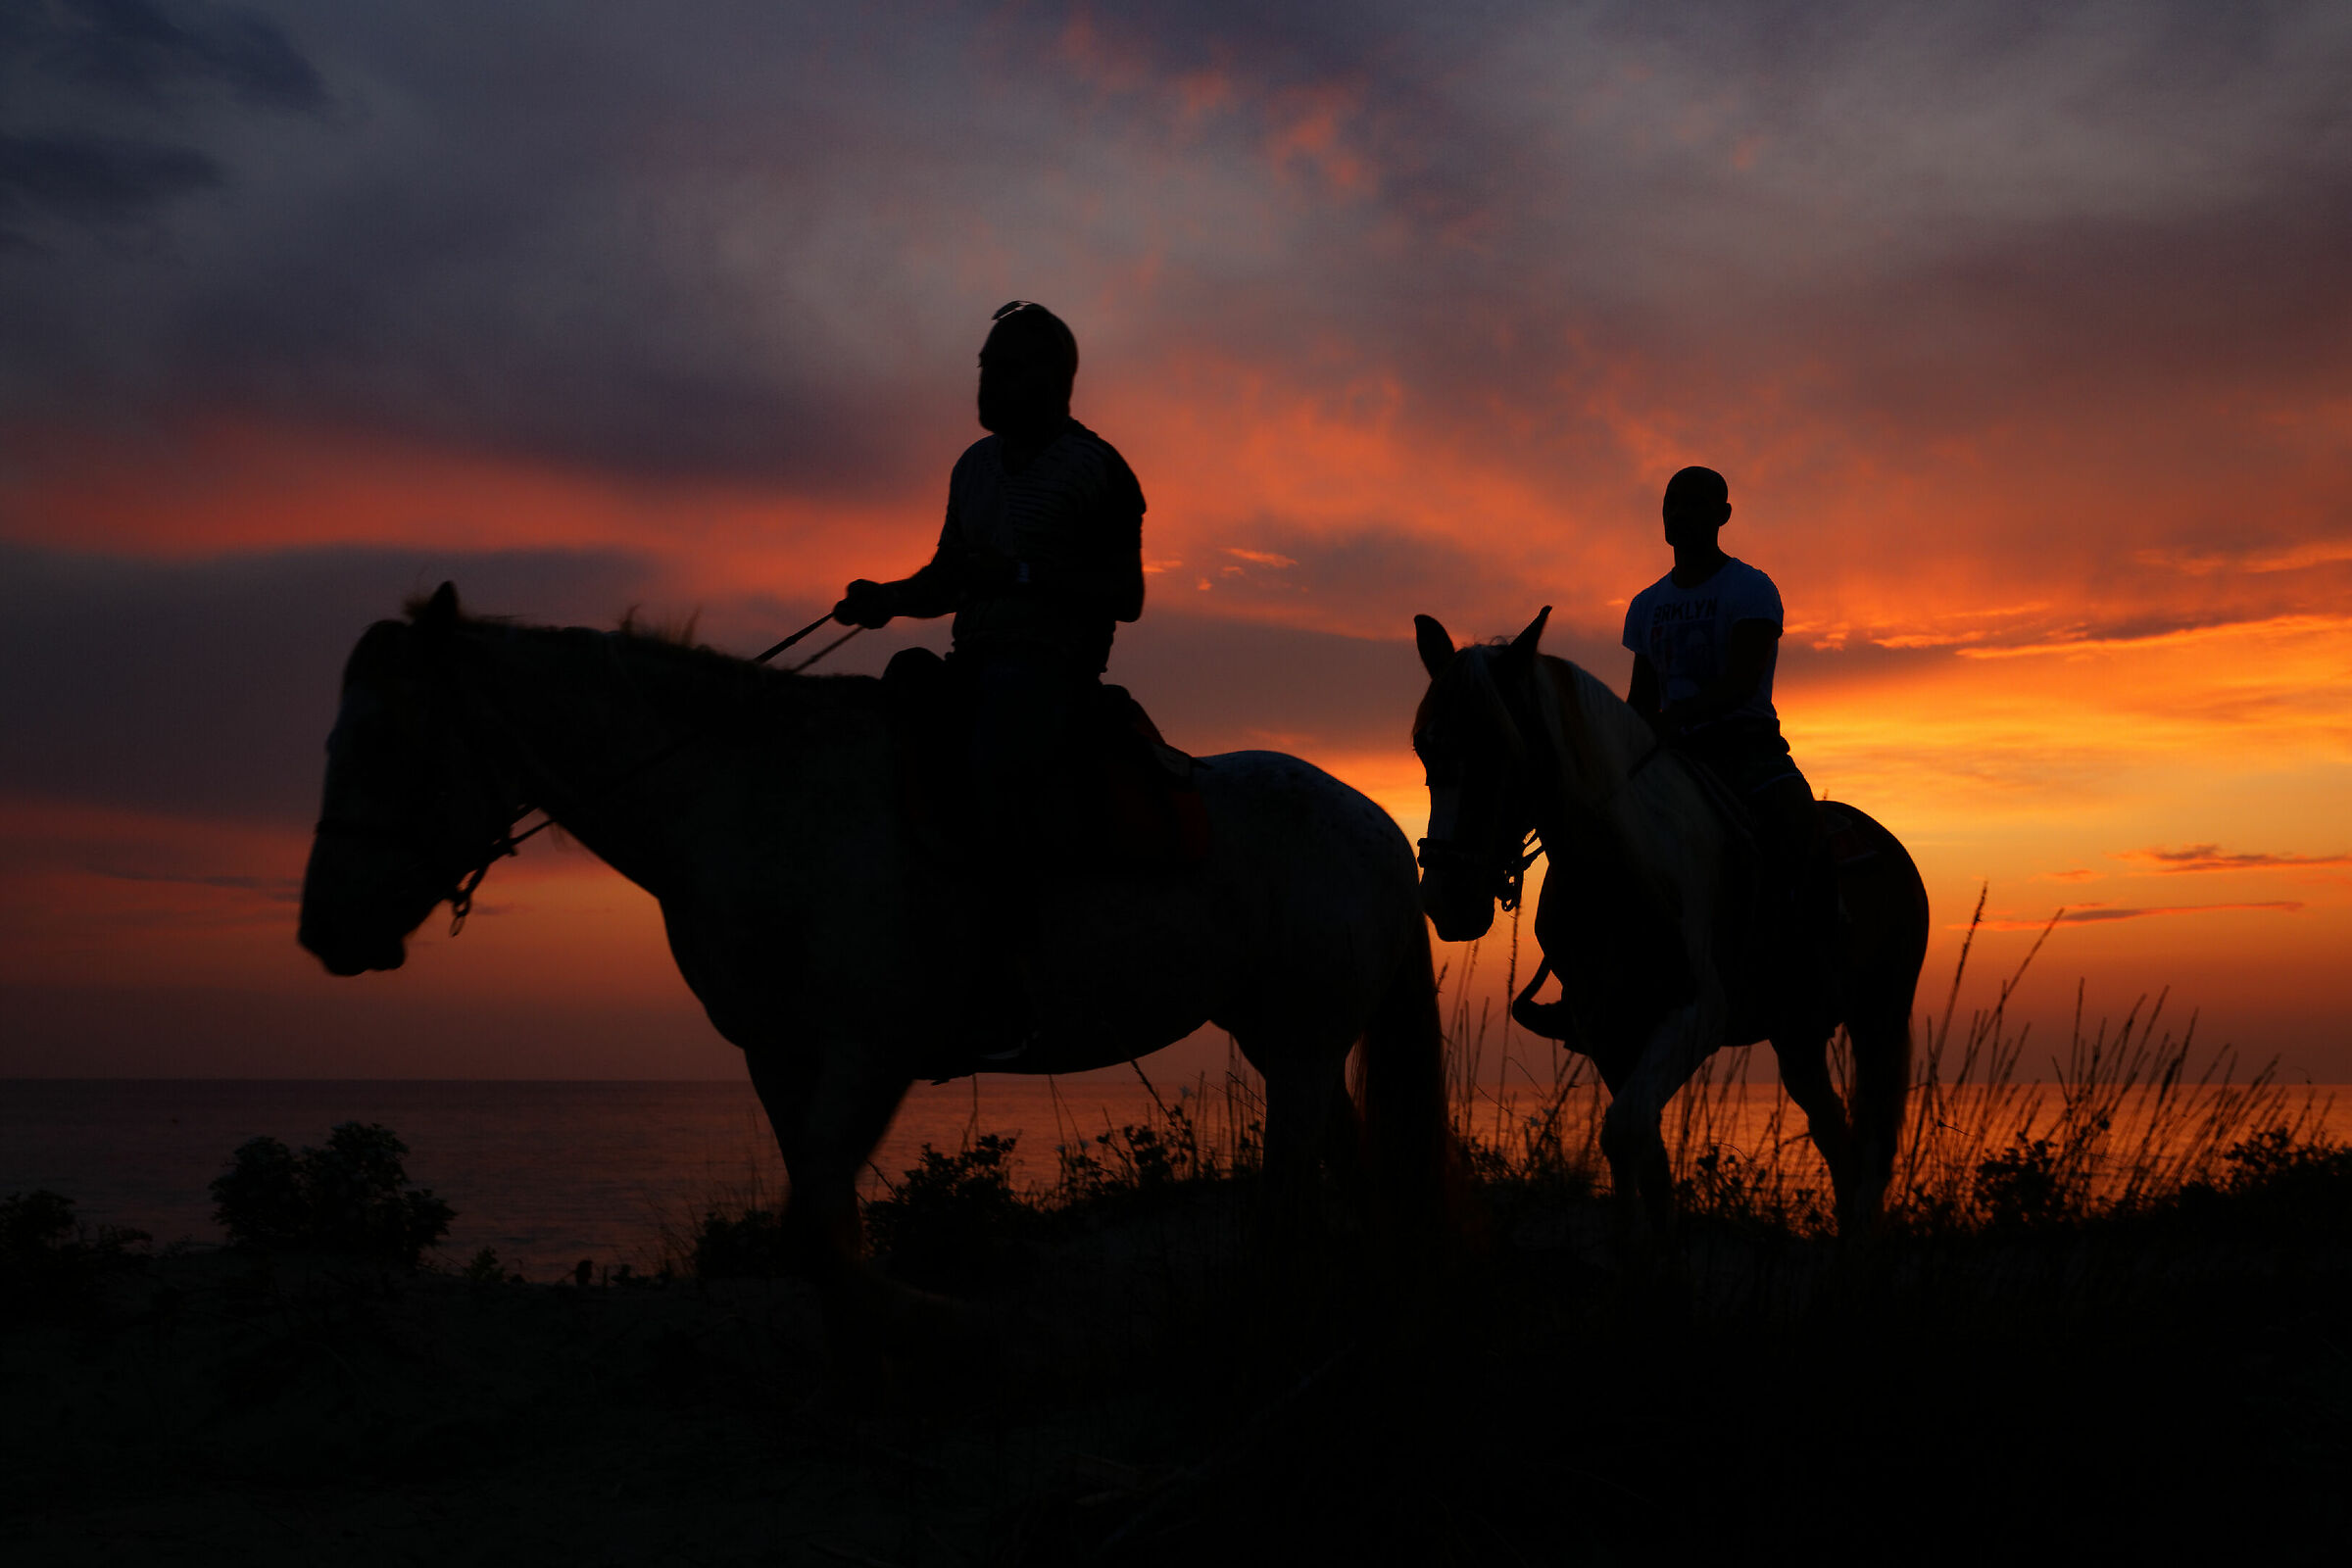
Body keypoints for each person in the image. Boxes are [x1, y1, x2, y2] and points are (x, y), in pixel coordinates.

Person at [832, 301, 1146, 1054]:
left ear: (1051, 379)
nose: (986, 381)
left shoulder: (1098, 469)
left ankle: (1008, 983)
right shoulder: (971, 469)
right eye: (984, 365)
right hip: (970, 661)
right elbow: (949, 576)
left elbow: (1125, 595)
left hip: (1050, 673)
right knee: (891, 703)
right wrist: (890, 600)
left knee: (998, 746)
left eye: (1004, 368)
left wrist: (1019, 573)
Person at [1622, 466, 1834, 1019]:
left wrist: (1672, 721)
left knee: (1793, 819)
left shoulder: (1750, 589)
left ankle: (1810, 955)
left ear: (1723, 515)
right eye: (1672, 503)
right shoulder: (1646, 605)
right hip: (1671, 756)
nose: (1679, 514)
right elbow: (1641, 697)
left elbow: (1741, 682)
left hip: (1745, 749)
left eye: (1694, 503)